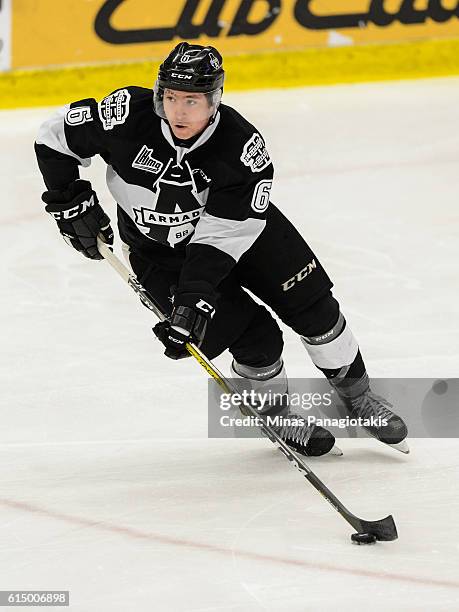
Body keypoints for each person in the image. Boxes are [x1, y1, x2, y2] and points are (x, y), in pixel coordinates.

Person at [35, 42, 408, 457]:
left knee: (315, 309)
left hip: (246, 235)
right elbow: (54, 136)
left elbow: (222, 238)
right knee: (256, 339)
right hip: (159, 254)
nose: (178, 111)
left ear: (214, 99)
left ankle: (356, 396)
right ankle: (275, 414)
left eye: (191, 101)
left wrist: (194, 300)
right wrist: (68, 199)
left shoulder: (241, 147)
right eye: (170, 97)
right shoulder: (126, 115)